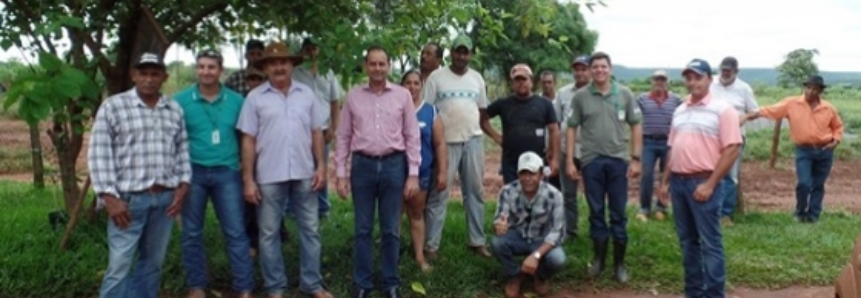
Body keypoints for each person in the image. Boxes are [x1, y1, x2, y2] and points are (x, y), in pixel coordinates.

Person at [88, 52, 192, 298]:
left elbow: (182, 150)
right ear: (134, 75)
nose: (148, 79)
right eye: (143, 73)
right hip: (127, 201)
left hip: (164, 199)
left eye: (154, 74)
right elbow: (99, 153)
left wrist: (183, 184)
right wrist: (109, 197)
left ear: (164, 77)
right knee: (119, 266)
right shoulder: (114, 106)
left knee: (152, 265)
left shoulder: (173, 109)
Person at [236, 41, 332, 298]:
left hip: (304, 172)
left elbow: (316, 133)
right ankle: (275, 287)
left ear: (292, 65)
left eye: (284, 62)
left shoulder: (306, 94)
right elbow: (248, 140)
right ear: (265, 67)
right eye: (273, 63)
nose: (279, 66)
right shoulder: (254, 99)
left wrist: (321, 166)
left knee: (310, 230)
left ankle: (312, 283)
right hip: (268, 175)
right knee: (268, 234)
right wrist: (248, 179)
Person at [335, 45, 421, 298]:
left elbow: (412, 135)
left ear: (389, 66)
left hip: (394, 165)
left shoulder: (402, 95)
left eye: (382, 64)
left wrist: (413, 173)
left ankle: (390, 282)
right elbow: (343, 136)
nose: (377, 68)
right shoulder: (353, 96)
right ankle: (362, 283)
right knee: (362, 228)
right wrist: (340, 172)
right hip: (362, 166)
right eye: (372, 64)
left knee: (391, 228)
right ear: (365, 66)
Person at [657, 58, 742, 298]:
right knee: (687, 241)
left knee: (710, 243)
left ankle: (715, 294)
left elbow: (732, 148)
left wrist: (710, 183)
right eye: (688, 77)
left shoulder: (723, 110)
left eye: (698, 77)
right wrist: (664, 182)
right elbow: (672, 148)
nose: (692, 82)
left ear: (709, 79)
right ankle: (694, 292)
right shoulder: (681, 110)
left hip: (703, 183)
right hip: (679, 183)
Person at [174, 49, 254, 298]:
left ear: (221, 70)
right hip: (193, 172)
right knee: (191, 232)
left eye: (211, 67)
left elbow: (247, 138)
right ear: (196, 69)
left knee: (235, 231)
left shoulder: (237, 101)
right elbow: (173, 139)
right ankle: (196, 286)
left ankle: (244, 287)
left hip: (227, 172)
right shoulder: (180, 101)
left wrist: (246, 172)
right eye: (201, 67)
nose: (206, 72)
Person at [565, 52, 642, 283]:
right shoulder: (580, 97)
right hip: (591, 162)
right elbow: (570, 127)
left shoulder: (625, 94)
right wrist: (570, 160)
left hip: (618, 161)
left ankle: (619, 265)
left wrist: (636, 158)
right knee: (596, 212)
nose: (599, 70)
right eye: (595, 67)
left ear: (610, 69)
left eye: (603, 66)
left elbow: (636, 124)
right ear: (589, 71)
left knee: (618, 213)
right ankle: (598, 260)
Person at [422, 34, 491, 258]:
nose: (461, 56)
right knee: (439, 193)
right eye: (458, 51)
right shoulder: (436, 78)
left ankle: (477, 241)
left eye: (466, 52)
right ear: (451, 53)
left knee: (475, 192)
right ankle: (431, 246)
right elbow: (427, 110)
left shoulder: (477, 79)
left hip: (472, 140)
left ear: (470, 54)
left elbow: (481, 111)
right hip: (445, 143)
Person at [743, 75, 843, 223]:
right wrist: (751, 114)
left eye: (814, 89)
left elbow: (838, 126)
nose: (810, 91)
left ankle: (814, 215)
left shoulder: (828, 108)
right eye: (808, 87)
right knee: (804, 183)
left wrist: (836, 140)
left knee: (818, 184)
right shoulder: (792, 104)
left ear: (820, 91)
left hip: (824, 150)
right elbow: (772, 110)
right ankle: (800, 212)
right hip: (804, 150)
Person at [491, 151, 566, 298]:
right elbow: (499, 219)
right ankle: (515, 275)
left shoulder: (554, 196)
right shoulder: (507, 192)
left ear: (541, 175)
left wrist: (536, 255)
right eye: (523, 173)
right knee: (496, 243)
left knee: (558, 259)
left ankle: (540, 275)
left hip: (541, 240)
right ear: (518, 175)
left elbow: (558, 232)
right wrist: (499, 226)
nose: (527, 178)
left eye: (532, 174)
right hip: (517, 236)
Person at [399, 70, 448, 272]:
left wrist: (442, 171)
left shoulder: (431, 111)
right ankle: (392, 257)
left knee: (416, 214)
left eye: (416, 83)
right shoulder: (395, 109)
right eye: (408, 83)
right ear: (401, 86)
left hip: (422, 173)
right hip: (395, 172)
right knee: (394, 216)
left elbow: (439, 144)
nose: (412, 87)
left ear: (422, 86)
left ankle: (420, 257)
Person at [293, 37, 345, 218]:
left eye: (314, 49)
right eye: (307, 49)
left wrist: (333, 128)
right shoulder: (295, 74)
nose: (311, 52)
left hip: (323, 130)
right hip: (300, 131)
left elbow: (335, 103)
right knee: (299, 169)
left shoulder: (328, 73)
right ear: (302, 51)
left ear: (319, 51)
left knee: (320, 168)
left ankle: (322, 208)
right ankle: (295, 209)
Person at [481, 63, 559, 184]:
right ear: (512, 83)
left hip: (537, 161)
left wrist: (554, 157)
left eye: (524, 79)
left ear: (531, 81)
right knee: (513, 196)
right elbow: (483, 119)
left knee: (537, 197)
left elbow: (554, 130)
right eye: (517, 80)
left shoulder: (544, 104)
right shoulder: (503, 103)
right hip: (511, 162)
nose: (520, 83)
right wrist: (497, 138)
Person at [709, 56, 759, 226]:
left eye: (728, 71)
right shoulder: (710, 84)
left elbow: (755, 111)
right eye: (723, 70)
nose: (725, 74)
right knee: (709, 171)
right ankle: (709, 211)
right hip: (712, 135)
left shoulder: (744, 88)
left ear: (736, 72)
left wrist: (745, 116)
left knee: (730, 176)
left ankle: (725, 214)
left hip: (735, 137)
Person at [635, 70, 682, 222]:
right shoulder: (642, 99)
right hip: (648, 142)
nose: (659, 83)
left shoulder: (676, 100)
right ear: (652, 81)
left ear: (667, 82)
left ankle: (661, 208)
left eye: (662, 80)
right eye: (657, 80)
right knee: (647, 175)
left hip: (668, 143)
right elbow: (634, 118)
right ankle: (644, 208)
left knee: (666, 177)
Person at [554, 55, 591, 238]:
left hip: (591, 151)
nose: (580, 72)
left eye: (583, 68)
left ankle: (596, 231)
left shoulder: (597, 93)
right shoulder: (563, 93)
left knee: (594, 194)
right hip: (565, 150)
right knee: (568, 193)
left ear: (590, 70)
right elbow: (556, 123)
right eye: (577, 69)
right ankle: (570, 231)